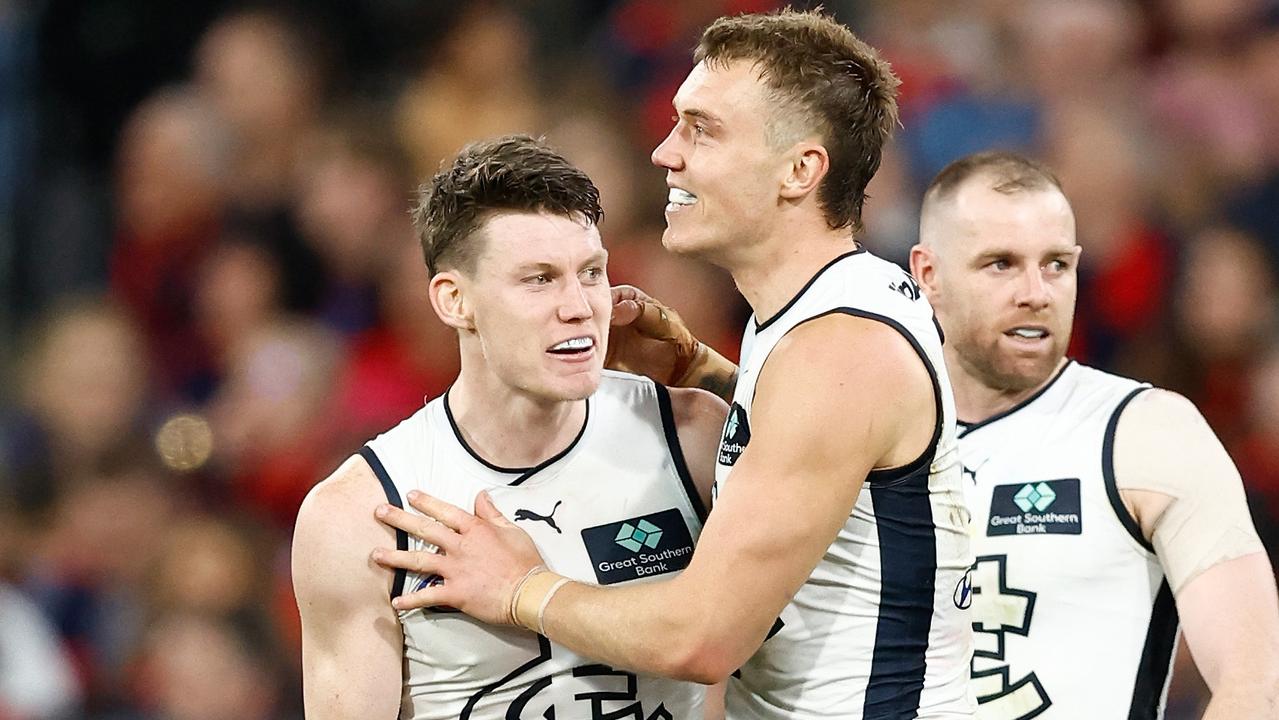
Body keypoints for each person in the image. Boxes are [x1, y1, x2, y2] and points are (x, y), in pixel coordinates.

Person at [372, 10, 976, 719]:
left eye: (702, 128)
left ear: (799, 170)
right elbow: (844, 458)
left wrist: (520, 588)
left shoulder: (834, 353)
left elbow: (700, 637)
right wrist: (701, 371)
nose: (664, 152)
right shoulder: (831, 315)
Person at [291, 135, 727, 720]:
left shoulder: (691, 436)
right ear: (454, 301)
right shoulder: (361, 516)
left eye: (591, 273)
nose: (579, 306)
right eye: (539, 279)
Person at [909, 152, 1279, 719]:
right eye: (1001, 264)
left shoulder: (1145, 431)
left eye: (1056, 264)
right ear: (928, 275)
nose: (1036, 292)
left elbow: (1255, 682)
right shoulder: (869, 440)